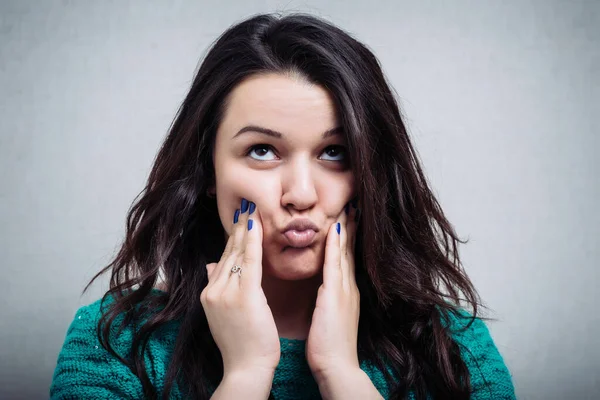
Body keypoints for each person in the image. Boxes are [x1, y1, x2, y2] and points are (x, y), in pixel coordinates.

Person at [50, 12, 516, 400]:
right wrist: (246, 374)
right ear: (208, 171)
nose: (301, 194)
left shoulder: (455, 349)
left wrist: (340, 373)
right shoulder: (115, 344)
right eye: (262, 150)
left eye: (335, 152)